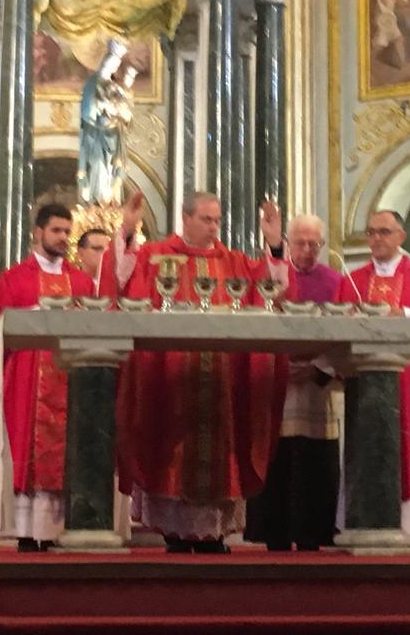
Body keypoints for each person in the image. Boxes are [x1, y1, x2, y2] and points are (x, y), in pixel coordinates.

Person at [106, 191, 288, 553]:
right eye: (206, 219)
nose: (214, 226)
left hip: (222, 378)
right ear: (186, 219)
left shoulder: (234, 262)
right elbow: (122, 279)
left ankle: (214, 535)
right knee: (171, 448)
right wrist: (126, 229)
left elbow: (272, 291)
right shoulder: (157, 255)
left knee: (221, 449)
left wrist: (274, 244)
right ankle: (173, 532)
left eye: (217, 219)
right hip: (170, 380)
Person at [0, 204, 94, 551]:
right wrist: (34, 315)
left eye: (67, 231)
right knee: (27, 452)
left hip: (69, 378)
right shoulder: (14, 279)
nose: (63, 238)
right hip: (27, 378)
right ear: (38, 232)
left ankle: (64, 528)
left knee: (69, 453)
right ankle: (28, 530)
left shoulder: (80, 280)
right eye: (56, 230)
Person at [336, 209, 410, 541]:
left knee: (409, 451)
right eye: (371, 232)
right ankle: (361, 522)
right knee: (363, 448)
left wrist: (407, 315)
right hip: (361, 384)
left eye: (384, 232)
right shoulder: (352, 281)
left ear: (401, 236)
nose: (377, 239)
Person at [245, 215, 342, 551]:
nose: (307, 249)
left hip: (316, 386)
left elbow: (344, 332)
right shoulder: (270, 276)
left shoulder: (335, 282)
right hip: (276, 381)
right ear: (288, 241)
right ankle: (274, 532)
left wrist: (317, 368)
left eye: (314, 243)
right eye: (300, 242)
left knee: (313, 460)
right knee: (279, 456)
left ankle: (313, 532)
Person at [78, 39, 128, 206]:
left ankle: (106, 200)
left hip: (112, 133)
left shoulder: (112, 86)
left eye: (117, 64)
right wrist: (102, 109)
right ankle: (97, 201)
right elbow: (89, 111)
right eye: (113, 63)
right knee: (99, 167)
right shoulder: (94, 84)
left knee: (113, 168)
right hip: (97, 134)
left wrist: (118, 113)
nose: (115, 67)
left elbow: (123, 108)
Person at [75, 228, 110, 295]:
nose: (105, 254)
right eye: (98, 249)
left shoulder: (115, 287)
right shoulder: (70, 283)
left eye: (107, 250)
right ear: (81, 253)